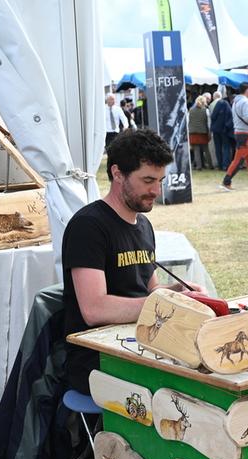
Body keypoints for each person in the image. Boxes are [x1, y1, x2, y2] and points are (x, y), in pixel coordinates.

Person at [62, 129, 205, 394]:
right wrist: (158, 305)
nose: (156, 191)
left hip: (139, 342)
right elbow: (94, 310)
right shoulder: (88, 226)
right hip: (96, 358)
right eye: (148, 180)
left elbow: (150, 289)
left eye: (160, 180)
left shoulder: (143, 224)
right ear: (117, 173)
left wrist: (179, 295)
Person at [210, 90, 234, 171]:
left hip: (215, 130)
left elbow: (212, 117)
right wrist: (227, 127)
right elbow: (230, 117)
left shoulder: (214, 105)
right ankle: (225, 165)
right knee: (226, 147)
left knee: (218, 147)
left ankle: (220, 165)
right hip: (224, 130)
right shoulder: (226, 104)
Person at [188, 95, 213, 170]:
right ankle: (210, 165)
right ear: (204, 102)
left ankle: (199, 166)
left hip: (193, 132)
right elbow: (208, 123)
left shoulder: (191, 110)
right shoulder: (206, 110)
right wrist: (209, 132)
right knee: (206, 149)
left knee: (196, 150)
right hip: (203, 132)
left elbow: (188, 121)